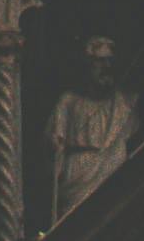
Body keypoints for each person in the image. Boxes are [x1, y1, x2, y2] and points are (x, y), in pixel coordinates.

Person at [45, 26, 138, 222]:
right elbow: (54, 146)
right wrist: (54, 145)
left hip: (113, 171)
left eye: (110, 60)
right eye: (100, 61)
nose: (106, 66)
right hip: (79, 174)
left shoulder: (125, 105)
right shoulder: (68, 102)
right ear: (88, 65)